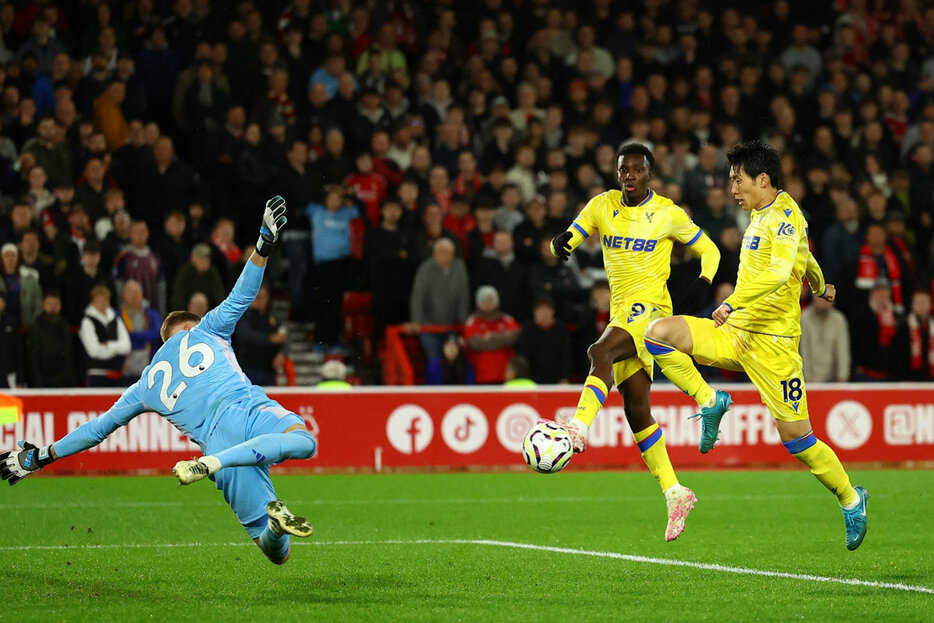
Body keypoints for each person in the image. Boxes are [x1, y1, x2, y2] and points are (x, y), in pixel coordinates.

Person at [1, 197, 318, 566]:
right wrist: (264, 242)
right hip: (248, 409)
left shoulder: (145, 385)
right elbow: (242, 295)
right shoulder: (208, 330)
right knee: (303, 440)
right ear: (189, 326)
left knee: (274, 551)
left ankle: (226, 475)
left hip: (215, 439)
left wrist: (41, 456)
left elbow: (97, 429)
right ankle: (217, 465)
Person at [643, 141, 869, 550]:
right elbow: (804, 260)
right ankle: (710, 401)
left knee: (799, 442)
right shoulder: (763, 213)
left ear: (762, 180)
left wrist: (731, 301)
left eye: (737, 180)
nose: (733, 189)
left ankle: (852, 499)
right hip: (737, 332)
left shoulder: (784, 216)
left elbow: (782, 271)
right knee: (658, 333)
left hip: (774, 349)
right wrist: (820, 284)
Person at [548, 143, 720, 542]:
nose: (629, 175)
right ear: (617, 173)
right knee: (637, 410)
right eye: (624, 169)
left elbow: (709, 249)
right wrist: (561, 245)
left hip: (652, 309)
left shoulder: (668, 213)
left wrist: (703, 283)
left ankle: (578, 428)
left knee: (599, 352)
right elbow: (572, 234)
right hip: (622, 310)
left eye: (637, 170)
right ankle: (676, 491)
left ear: (650, 175)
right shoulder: (601, 206)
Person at [78, 284, 131, 387]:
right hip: (96, 375)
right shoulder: (87, 322)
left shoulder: (116, 320)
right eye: (99, 300)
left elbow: (127, 346)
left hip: (116, 374)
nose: (103, 303)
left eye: (105, 300)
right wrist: (117, 349)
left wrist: (109, 346)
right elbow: (94, 351)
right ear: (93, 301)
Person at [800, 295, 851, 383]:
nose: (823, 301)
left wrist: (842, 377)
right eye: (820, 297)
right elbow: (804, 350)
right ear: (814, 298)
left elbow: (842, 350)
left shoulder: (839, 319)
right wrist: (806, 378)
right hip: (808, 379)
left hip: (833, 379)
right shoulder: (804, 318)